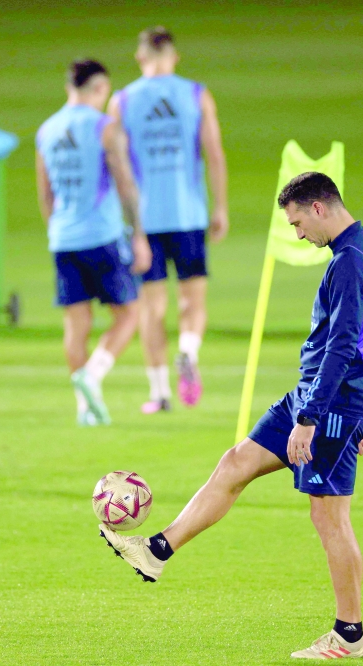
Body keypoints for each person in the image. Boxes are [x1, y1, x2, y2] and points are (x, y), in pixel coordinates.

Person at [100, 172, 363, 659]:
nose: (299, 233)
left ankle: (349, 634)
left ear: (319, 208)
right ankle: (156, 552)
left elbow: (346, 345)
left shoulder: (349, 261)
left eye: (299, 222)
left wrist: (319, 417)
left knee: (329, 518)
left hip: (330, 405)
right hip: (317, 396)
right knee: (237, 462)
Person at [107, 26, 228, 413]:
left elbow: (117, 166)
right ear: (174, 56)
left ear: (140, 57)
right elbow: (214, 153)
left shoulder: (122, 101)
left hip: (144, 220)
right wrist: (220, 207)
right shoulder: (195, 94)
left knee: (151, 307)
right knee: (193, 300)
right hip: (188, 213)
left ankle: (159, 393)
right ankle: (188, 349)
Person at [36, 59, 152, 425]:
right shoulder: (105, 128)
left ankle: (85, 409)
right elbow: (125, 184)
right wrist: (139, 237)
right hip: (101, 236)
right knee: (129, 312)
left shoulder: (47, 130)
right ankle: (93, 375)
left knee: (76, 324)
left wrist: (57, 230)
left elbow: (45, 195)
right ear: (100, 88)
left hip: (62, 238)